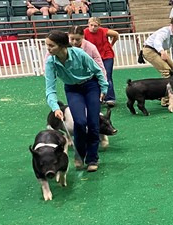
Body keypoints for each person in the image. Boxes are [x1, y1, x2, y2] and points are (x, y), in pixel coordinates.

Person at [44, 30, 108, 172]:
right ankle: (80, 155)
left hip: (91, 86)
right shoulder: (50, 61)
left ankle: (92, 159)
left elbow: (97, 70)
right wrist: (55, 107)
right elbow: (50, 88)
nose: (48, 49)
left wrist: (103, 89)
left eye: (51, 46)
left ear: (62, 45)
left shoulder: (79, 54)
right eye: (47, 45)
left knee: (93, 123)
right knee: (79, 122)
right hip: (72, 90)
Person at [142, 16, 173, 89]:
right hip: (149, 50)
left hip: (159, 51)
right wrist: (162, 52)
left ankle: (172, 92)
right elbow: (157, 42)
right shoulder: (164, 31)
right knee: (166, 71)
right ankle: (166, 97)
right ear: (171, 25)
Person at [84, 17, 120, 106]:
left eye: (95, 26)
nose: (92, 27)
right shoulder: (84, 32)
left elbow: (116, 34)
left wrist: (111, 44)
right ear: (88, 24)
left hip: (107, 55)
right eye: (91, 25)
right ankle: (98, 97)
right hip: (93, 57)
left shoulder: (104, 31)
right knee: (94, 77)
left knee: (107, 76)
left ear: (99, 26)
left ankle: (110, 98)